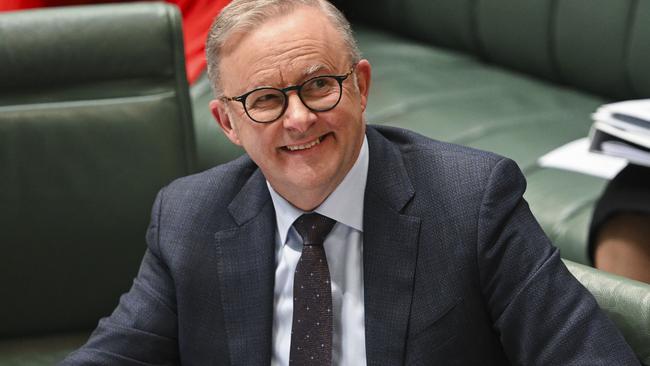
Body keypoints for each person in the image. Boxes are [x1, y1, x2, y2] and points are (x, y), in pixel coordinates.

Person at [61, 0, 640, 364]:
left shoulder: (472, 201)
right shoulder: (188, 217)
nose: (298, 119)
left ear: (361, 85)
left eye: (318, 86)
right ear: (227, 123)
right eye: (264, 99)